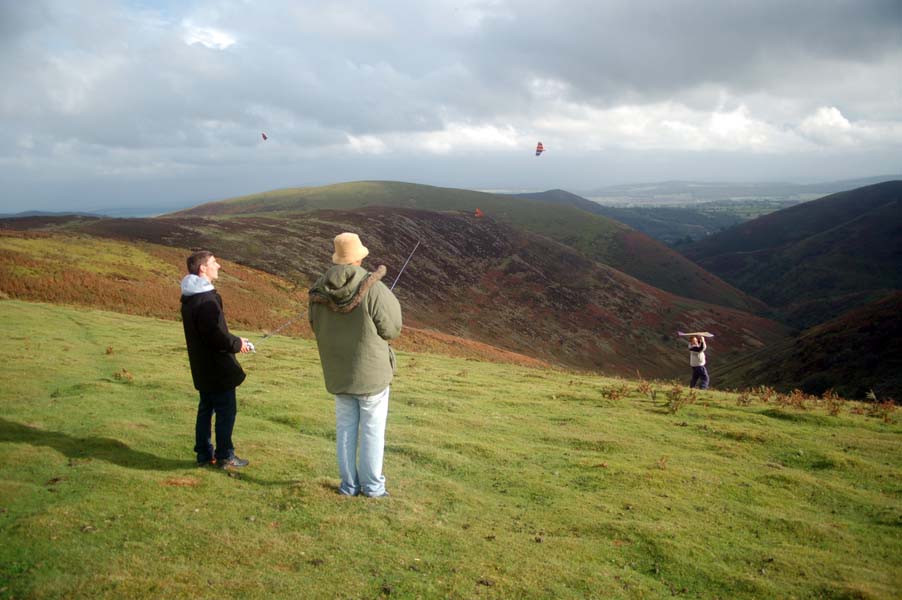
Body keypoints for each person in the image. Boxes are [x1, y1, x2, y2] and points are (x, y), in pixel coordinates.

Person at [309, 233, 402, 498]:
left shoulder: (317, 289)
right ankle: (372, 487)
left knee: (346, 429)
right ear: (359, 257)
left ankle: (348, 486)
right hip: (371, 374)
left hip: (337, 372)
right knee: (372, 431)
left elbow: (315, 325)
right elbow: (392, 329)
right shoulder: (373, 288)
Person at [180, 250, 252, 469]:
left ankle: (203, 454)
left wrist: (235, 340)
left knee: (205, 409)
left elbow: (209, 333)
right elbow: (215, 335)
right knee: (225, 412)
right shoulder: (206, 299)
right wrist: (237, 344)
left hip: (202, 366)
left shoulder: (190, 297)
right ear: (203, 268)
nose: (218, 266)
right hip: (217, 367)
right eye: (213, 263)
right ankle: (224, 455)